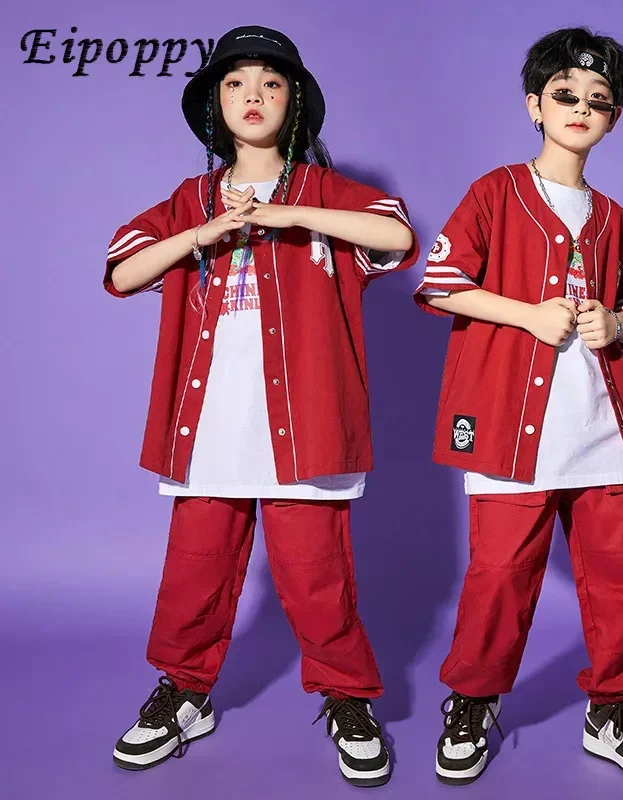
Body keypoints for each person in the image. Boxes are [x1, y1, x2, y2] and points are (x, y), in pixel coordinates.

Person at [105, 25, 418, 788]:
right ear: (214, 103)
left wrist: (288, 216)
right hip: (210, 426)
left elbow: (396, 235)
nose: (253, 95)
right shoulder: (189, 200)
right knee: (196, 573)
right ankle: (185, 692)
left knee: (316, 576)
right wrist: (204, 232)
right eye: (236, 83)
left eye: (271, 83)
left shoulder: (324, 192)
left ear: (294, 101)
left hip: (305, 426)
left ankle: (346, 696)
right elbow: (122, 272)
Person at [413, 26, 623, 789]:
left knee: (621, 578)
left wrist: (618, 324)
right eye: (565, 93)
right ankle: (474, 700)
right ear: (535, 104)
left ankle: (614, 707)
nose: (580, 107)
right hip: (510, 431)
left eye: (598, 99)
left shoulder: (612, 218)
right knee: (500, 575)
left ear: (613, 118)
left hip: (602, 430)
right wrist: (527, 314)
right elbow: (441, 283)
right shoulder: (495, 193)